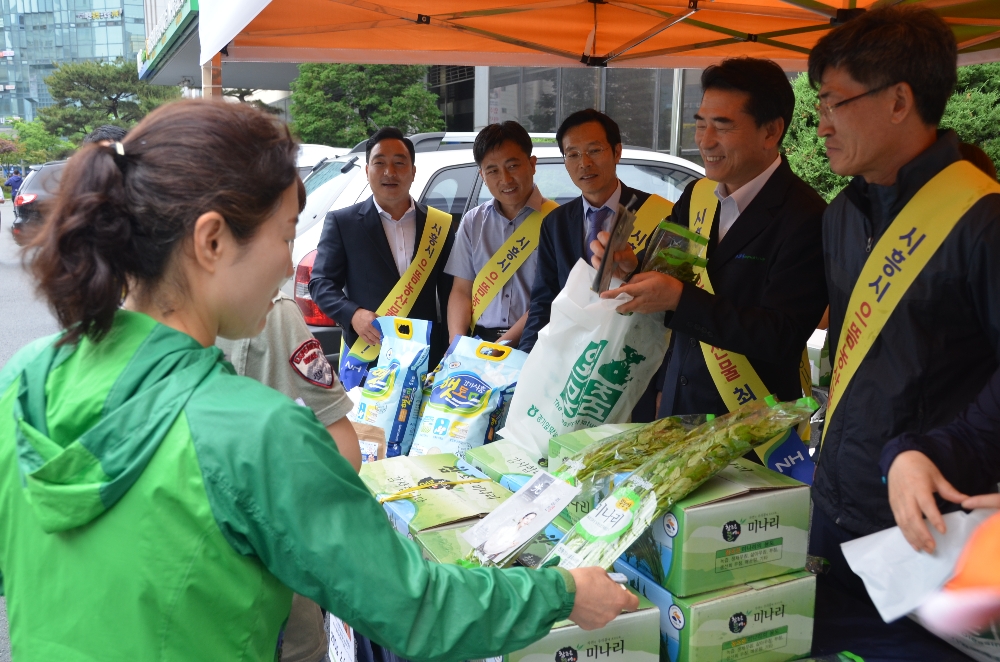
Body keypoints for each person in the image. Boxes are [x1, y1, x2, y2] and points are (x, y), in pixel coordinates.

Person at [0, 99, 635, 661]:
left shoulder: (29, 375)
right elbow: (416, 608)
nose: (287, 261)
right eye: (282, 235)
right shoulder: (256, 432)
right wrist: (563, 590)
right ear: (212, 241)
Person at [806, 5, 1000, 657]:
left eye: (833, 102)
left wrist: (935, 448)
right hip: (835, 519)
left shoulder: (981, 219)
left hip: (930, 542)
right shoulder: (841, 215)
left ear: (898, 101)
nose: (821, 124)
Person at [594, 58, 827, 422]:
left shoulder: (806, 217)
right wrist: (630, 265)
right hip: (677, 410)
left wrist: (680, 299)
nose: (705, 140)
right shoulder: (697, 195)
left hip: (749, 430)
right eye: (700, 123)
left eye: (722, 126)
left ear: (771, 131)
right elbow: (667, 268)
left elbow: (782, 336)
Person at [217, 291, 361, 662]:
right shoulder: (268, 312)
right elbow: (344, 452)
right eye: (282, 237)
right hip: (271, 591)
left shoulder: (101, 335)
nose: (289, 261)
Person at [309, 127, 455, 388]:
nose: (390, 172)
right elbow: (320, 283)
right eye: (380, 163)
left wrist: (449, 349)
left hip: (425, 359)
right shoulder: (343, 223)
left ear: (413, 171)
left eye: (400, 163)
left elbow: (450, 295)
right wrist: (353, 314)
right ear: (367, 171)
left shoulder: (439, 225)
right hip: (368, 357)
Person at [520, 109, 655, 354]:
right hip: (569, 355)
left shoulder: (657, 214)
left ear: (617, 152)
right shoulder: (555, 223)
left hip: (632, 354)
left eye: (594, 150)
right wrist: (526, 356)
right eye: (573, 154)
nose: (584, 163)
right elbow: (543, 300)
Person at [446, 121, 556, 347]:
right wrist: (457, 344)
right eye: (493, 170)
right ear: (482, 175)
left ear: (532, 164)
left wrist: (500, 347)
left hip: (537, 341)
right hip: (479, 342)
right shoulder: (472, 222)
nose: (505, 179)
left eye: (513, 166)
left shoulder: (557, 221)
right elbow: (461, 291)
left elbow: (552, 298)